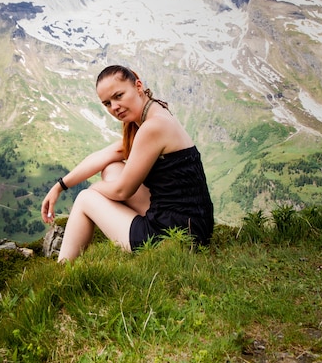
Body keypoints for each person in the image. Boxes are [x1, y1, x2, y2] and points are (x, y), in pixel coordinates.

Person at [41, 65, 214, 262]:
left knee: (84, 198)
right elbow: (106, 155)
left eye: (119, 96)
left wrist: (95, 188)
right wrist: (59, 186)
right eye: (107, 103)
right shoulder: (156, 112)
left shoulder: (152, 127)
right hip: (193, 226)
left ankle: (64, 270)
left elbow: (123, 191)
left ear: (138, 86)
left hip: (174, 237)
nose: (114, 107)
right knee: (111, 168)